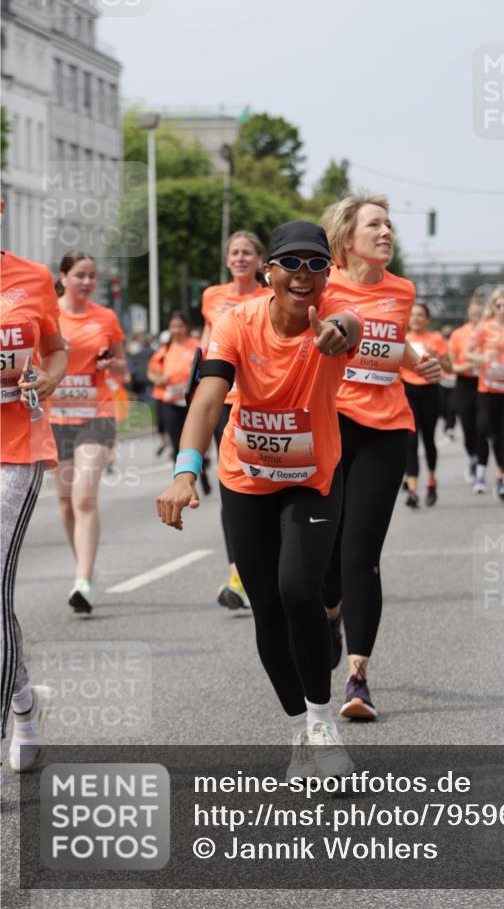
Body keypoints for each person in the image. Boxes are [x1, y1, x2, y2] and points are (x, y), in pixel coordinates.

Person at [157, 221, 362, 777]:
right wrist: (184, 471)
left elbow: (350, 324)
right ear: (268, 271)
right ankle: (298, 728)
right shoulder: (236, 322)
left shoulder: (334, 314)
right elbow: (207, 400)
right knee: (266, 608)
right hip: (246, 481)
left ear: (328, 275)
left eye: (317, 265)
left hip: (311, 480)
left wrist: (340, 329)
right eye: (291, 263)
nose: (304, 275)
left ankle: (323, 726)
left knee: (298, 588)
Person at [320, 195, 441, 721]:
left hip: (387, 429)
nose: (387, 232)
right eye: (376, 225)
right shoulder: (320, 288)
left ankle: (358, 678)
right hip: (328, 427)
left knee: (360, 554)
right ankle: (329, 616)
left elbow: (396, 341)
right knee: (324, 558)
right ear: (348, 238)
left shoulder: (402, 289)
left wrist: (420, 362)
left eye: (389, 224)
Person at [1, 244, 68, 770]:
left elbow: (56, 348)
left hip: (14, 451)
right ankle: (24, 705)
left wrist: (50, 377)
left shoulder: (34, 277)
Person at [51, 252, 127, 614]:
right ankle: (84, 564)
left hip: (96, 415)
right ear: (63, 277)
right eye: (80, 275)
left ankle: (82, 581)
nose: (86, 282)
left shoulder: (107, 318)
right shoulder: (47, 315)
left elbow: (124, 370)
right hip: (55, 418)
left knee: (83, 498)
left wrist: (113, 364)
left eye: (92, 276)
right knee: (65, 503)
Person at [200, 231, 266, 611]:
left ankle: (261, 567)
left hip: (261, 402)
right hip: (224, 401)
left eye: (247, 253)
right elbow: (209, 342)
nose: (240, 258)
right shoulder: (212, 296)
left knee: (263, 482)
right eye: (234, 253)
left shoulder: (269, 296)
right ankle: (237, 574)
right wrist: (196, 380)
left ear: (259, 260)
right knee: (232, 483)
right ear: (227, 260)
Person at [468, 286, 504, 502]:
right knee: (493, 434)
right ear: (492, 307)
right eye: (498, 305)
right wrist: (483, 358)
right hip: (489, 386)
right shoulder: (484, 328)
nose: (502, 309)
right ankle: (500, 472)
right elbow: (467, 353)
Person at [146, 312, 206, 491]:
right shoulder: (164, 350)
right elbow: (152, 372)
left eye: (180, 326)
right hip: (170, 401)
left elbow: (206, 368)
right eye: (173, 326)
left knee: (194, 441)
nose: (176, 330)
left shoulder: (197, 346)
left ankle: (201, 472)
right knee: (176, 442)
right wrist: (159, 378)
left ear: (186, 327)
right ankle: (179, 481)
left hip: (192, 401)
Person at [401, 303, 450, 508]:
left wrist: (435, 355)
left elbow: (450, 366)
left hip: (430, 391)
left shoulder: (435, 339)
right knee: (411, 442)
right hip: (407, 391)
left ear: (428, 319)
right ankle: (412, 490)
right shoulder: (402, 338)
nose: (416, 318)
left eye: (421, 315)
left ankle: (431, 481)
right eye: (412, 315)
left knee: (429, 440)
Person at [449, 299, 489, 493]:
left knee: (482, 429)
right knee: (468, 430)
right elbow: (451, 366)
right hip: (465, 384)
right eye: (474, 313)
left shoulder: (492, 333)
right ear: (468, 312)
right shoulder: (458, 335)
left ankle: (481, 475)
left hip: (486, 385)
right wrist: (470, 365)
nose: (477, 316)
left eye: (480, 313)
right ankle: (472, 457)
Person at [438, 325, 457, 441]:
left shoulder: (454, 344)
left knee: (452, 406)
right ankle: (447, 421)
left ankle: (450, 426)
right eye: (445, 334)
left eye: (449, 334)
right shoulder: (439, 344)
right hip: (442, 380)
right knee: (443, 406)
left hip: (455, 380)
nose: (447, 335)